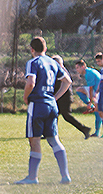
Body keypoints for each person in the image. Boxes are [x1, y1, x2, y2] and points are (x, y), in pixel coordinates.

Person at [16, 37, 72, 185]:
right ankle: (65, 175)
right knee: (54, 139)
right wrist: (55, 97)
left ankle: (32, 178)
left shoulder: (33, 62)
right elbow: (67, 81)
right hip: (52, 105)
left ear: (31, 49)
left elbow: (31, 82)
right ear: (45, 49)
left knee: (34, 140)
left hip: (38, 105)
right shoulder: (53, 62)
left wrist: (25, 96)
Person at [53, 56, 92, 139]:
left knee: (66, 116)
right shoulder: (59, 71)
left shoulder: (61, 71)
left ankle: (84, 129)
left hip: (64, 98)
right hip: (61, 97)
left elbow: (59, 86)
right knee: (53, 115)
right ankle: (51, 134)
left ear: (59, 63)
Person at [74, 59, 102, 137]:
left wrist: (90, 102)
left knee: (99, 112)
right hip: (97, 91)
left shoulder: (89, 73)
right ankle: (97, 132)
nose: (77, 70)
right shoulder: (89, 71)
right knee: (79, 90)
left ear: (83, 67)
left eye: (77, 68)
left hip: (99, 92)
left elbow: (91, 88)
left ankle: (97, 132)